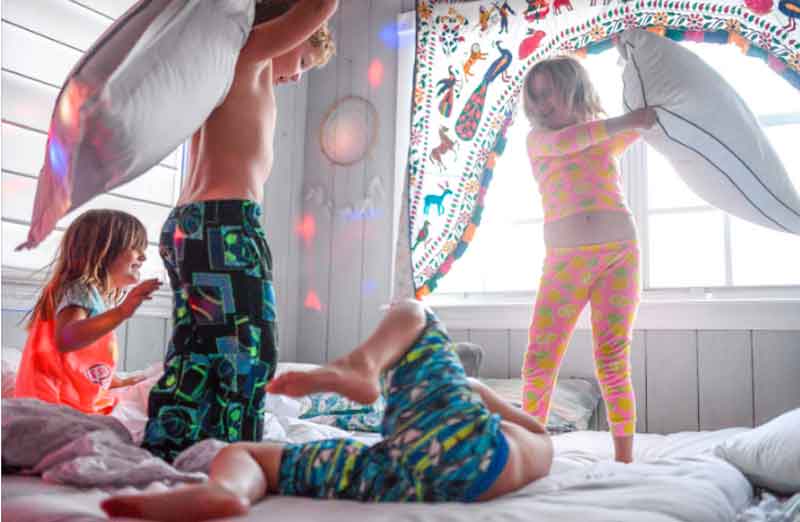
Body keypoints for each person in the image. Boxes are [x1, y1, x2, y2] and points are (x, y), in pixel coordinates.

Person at [102, 300, 553, 521]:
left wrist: (473, 389)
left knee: (415, 310)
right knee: (252, 450)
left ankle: (361, 365)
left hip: (405, 469)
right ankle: (227, 495)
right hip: (434, 470)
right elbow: (533, 426)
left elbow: (476, 395)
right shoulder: (533, 448)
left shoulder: (481, 411)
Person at [141, 0, 338, 462]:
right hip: (226, 224)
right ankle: (239, 452)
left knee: (196, 346)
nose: (298, 75)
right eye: (303, 59)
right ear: (284, 31)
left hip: (186, 226)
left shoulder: (220, 73)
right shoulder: (248, 57)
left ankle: (171, 440)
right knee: (249, 350)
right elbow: (317, 7)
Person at [521, 56, 657, 463]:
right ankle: (532, 448)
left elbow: (648, 125)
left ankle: (624, 457)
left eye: (550, 93)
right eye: (535, 97)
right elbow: (574, 141)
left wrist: (644, 118)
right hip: (565, 263)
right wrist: (628, 120)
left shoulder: (601, 135)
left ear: (574, 88)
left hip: (619, 255)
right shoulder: (539, 140)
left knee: (613, 357)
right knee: (540, 358)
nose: (542, 103)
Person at [14, 209, 161, 415]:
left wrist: (116, 381)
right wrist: (122, 311)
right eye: (136, 248)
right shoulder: (79, 289)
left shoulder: (92, 297)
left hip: (63, 400)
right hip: (53, 403)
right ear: (103, 251)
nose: (143, 256)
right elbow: (66, 340)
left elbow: (82, 361)